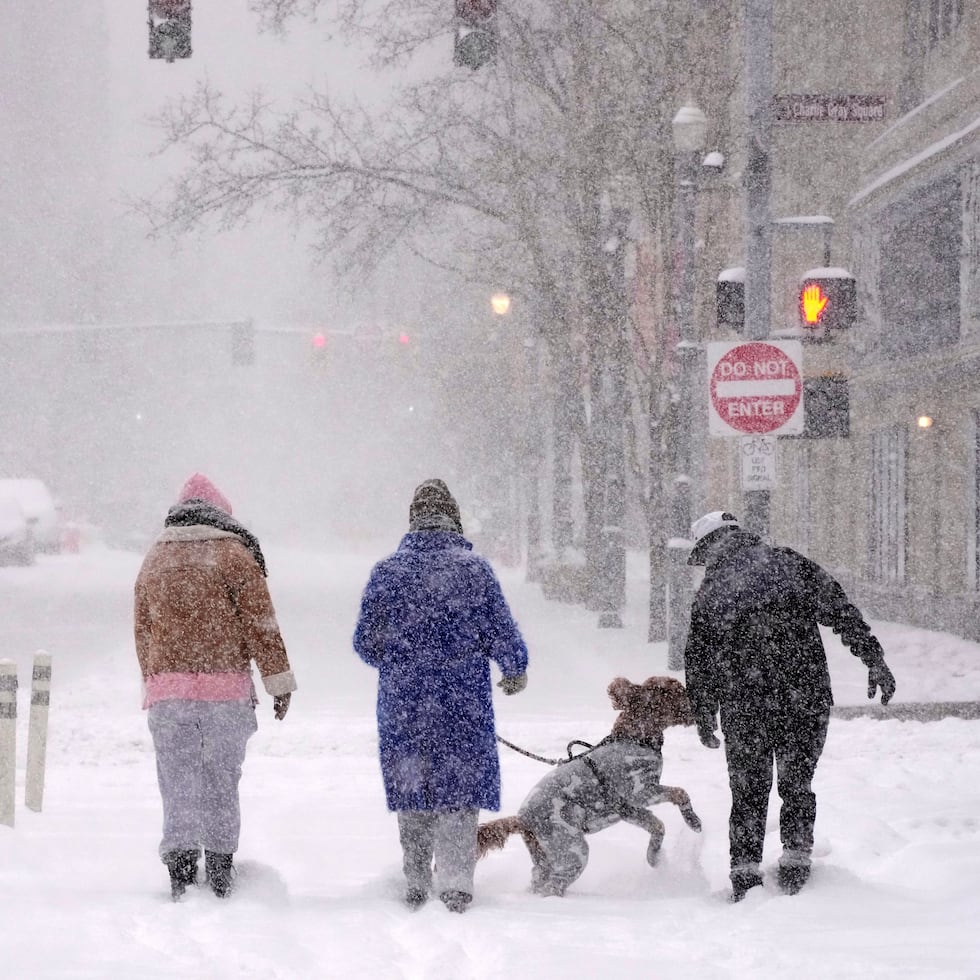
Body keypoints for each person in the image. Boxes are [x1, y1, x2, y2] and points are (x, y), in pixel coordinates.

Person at [682, 510, 896, 902]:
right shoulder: (790, 564)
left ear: (710, 546)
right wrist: (873, 659)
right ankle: (797, 861)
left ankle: (745, 873)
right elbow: (840, 611)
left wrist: (703, 709)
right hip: (805, 696)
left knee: (748, 791)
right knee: (798, 784)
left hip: (745, 704)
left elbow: (699, 658)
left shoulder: (713, 589)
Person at [353, 478, 529, 913]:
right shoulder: (474, 571)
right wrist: (513, 667)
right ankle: (455, 883)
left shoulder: (387, 572)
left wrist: (402, 663)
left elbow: (364, 642)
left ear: (413, 520)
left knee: (413, 787)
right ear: (453, 519)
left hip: (404, 703)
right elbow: (500, 630)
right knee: (459, 789)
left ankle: (415, 878)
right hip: (462, 700)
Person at [134, 473, 297, 900]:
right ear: (222, 514)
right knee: (221, 780)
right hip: (225, 692)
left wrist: (154, 681)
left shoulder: (154, 558)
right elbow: (261, 625)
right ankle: (221, 868)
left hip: (169, 694)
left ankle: (181, 869)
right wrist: (278, 682)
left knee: (176, 781)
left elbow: (143, 630)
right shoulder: (233, 554)